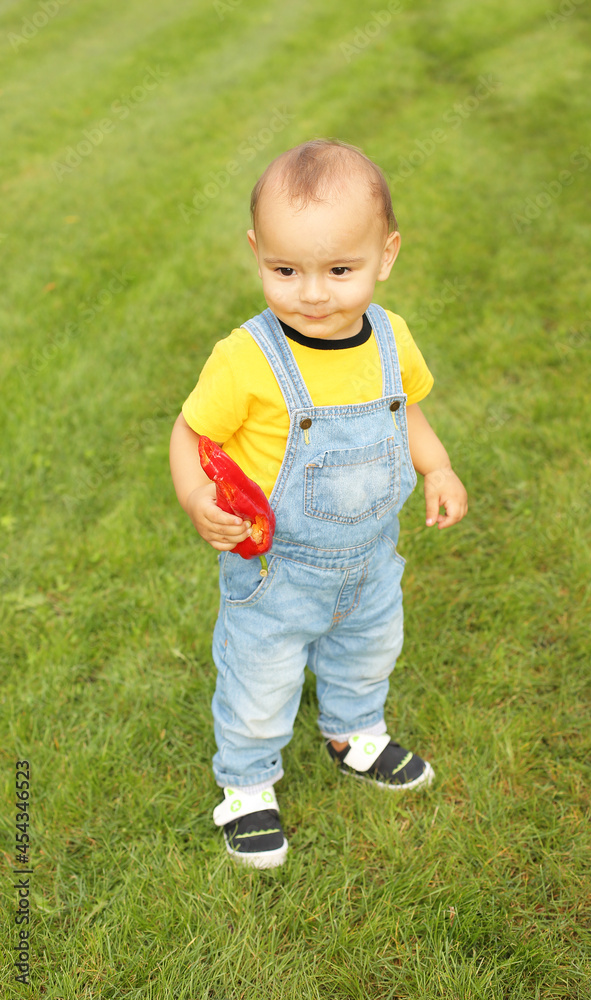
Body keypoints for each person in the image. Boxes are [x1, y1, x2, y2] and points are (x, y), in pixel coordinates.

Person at [170, 139, 468, 868]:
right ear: (256, 252)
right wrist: (195, 494)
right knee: (260, 675)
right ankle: (247, 785)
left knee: (368, 649)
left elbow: (405, 414)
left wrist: (438, 467)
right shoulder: (247, 357)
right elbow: (191, 430)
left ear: (386, 254)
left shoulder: (391, 339)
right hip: (277, 569)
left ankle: (354, 732)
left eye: (339, 270)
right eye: (284, 270)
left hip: (369, 559)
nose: (311, 293)